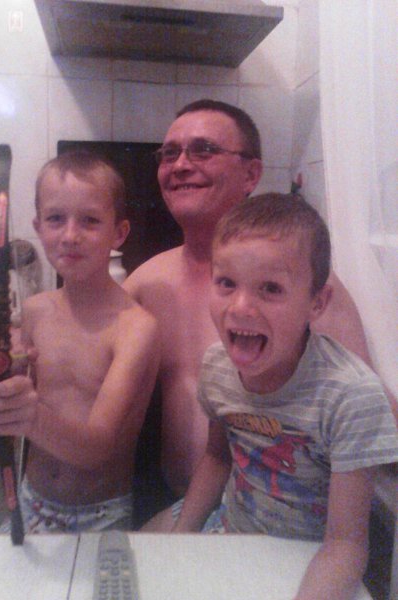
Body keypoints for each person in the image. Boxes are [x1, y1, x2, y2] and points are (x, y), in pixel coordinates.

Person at [123, 98, 397, 528]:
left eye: (203, 150)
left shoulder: (301, 293)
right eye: (169, 153)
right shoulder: (146, 283)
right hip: (196, 505)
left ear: (251, 174)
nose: (180, 165)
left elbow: (371, 416)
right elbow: (79, 363)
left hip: (291, 523)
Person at [173, 193, 398, 600]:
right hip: (233, 531)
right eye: (226, 283)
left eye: (271, 289)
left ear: (317, 303)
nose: (240, 307)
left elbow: (346, 545)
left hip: (315, 559)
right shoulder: (218, 368)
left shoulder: (350, 396)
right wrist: (178, 540)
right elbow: (218, 458)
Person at [0, 150, 159, 533]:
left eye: (90, 220)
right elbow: (32, 388)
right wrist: (6, 392)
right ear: (38, 227)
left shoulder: (136, 328)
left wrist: (28, 416)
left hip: (101, 516)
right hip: (31, 500)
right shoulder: (36, 310)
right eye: (56, 219)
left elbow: (97, 449)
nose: (70, 235)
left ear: (118, 233)